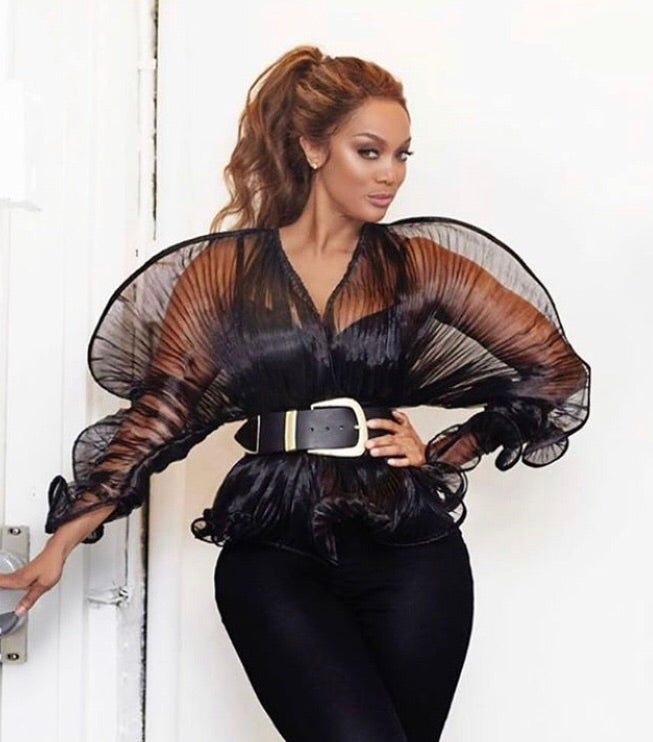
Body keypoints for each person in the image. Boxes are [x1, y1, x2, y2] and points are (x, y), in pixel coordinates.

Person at [0, 46, 590, 741]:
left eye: (402, 155)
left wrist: (451, 449)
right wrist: (62, 543)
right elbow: (159, 415)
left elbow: (557, 371)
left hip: (411, 554)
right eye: (368, 151)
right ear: (313, 148)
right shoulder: (224, 273)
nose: (390, 174)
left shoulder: (418, 264)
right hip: (273, 549)